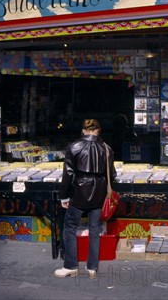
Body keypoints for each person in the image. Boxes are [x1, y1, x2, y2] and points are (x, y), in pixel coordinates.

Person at [55, 119, 116, 279]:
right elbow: (113, 174)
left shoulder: (74, 146)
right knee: (95, 229)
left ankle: (71, 266)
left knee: (69, 227)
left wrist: (63, 196)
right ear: (98, 131)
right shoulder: (107, 148)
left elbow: (68, 174)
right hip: (99, 193)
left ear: (83, 131)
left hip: (79, 192)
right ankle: (92, 268)